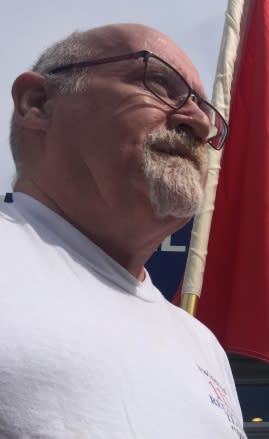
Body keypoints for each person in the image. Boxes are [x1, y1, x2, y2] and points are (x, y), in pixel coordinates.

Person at [0, 23, 245, 438]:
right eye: (159, 82)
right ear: (38, 103)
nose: (199, 124)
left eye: (207, 112)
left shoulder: (203, 345)